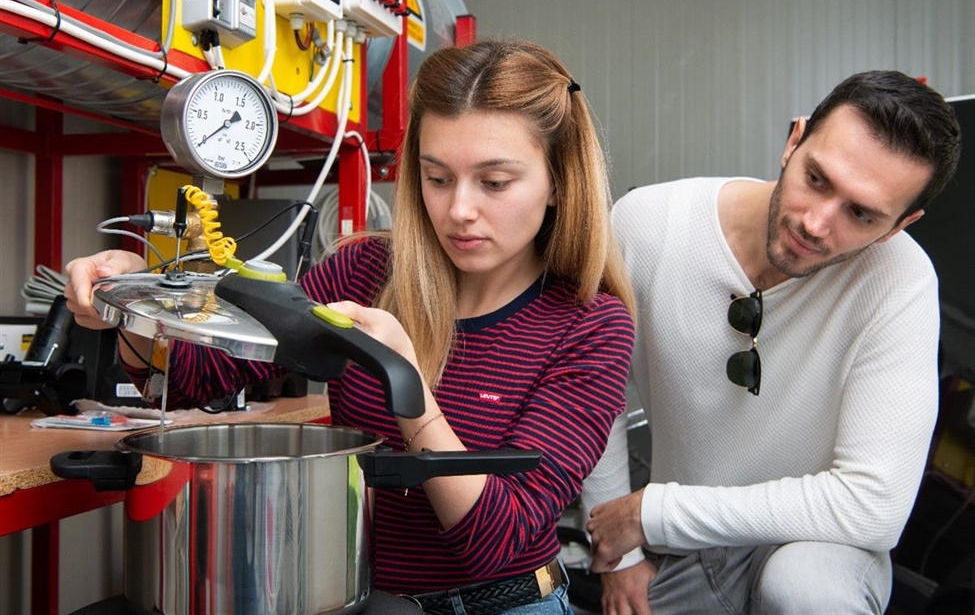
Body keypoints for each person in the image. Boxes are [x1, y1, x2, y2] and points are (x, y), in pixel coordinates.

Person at [65, 39, 636, 615]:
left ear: (558, 182)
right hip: (360, 600)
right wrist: (132, 301)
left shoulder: (591, 328)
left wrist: (406, 384)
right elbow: (194, 379)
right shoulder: (364, 272)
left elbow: (495, 542)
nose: (459, 210)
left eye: (494, 183)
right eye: (437, 178)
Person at [581, 70, 961, 615]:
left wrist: (656, 511)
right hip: (683, 553)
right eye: (817, 178)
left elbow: (874, 504)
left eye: (861, 214)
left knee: (805, 588)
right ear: (794, 141)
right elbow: (593, 397)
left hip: (819, 550)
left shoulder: (901, 281)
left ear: (900, 225)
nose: (816, 222)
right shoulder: (649, 225)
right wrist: (617, 561)